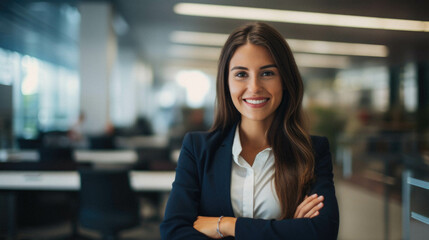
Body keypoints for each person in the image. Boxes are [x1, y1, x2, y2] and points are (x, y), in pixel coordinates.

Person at [160, 22, 339, 239]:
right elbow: (173, 232)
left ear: (285, 80)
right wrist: (287, 228)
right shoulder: (198, 149)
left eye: (267, 73)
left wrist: (225, 225)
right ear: (226, 82)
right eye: (241, 74)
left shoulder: (312, 151)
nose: (254, 87)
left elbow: (322, 232)